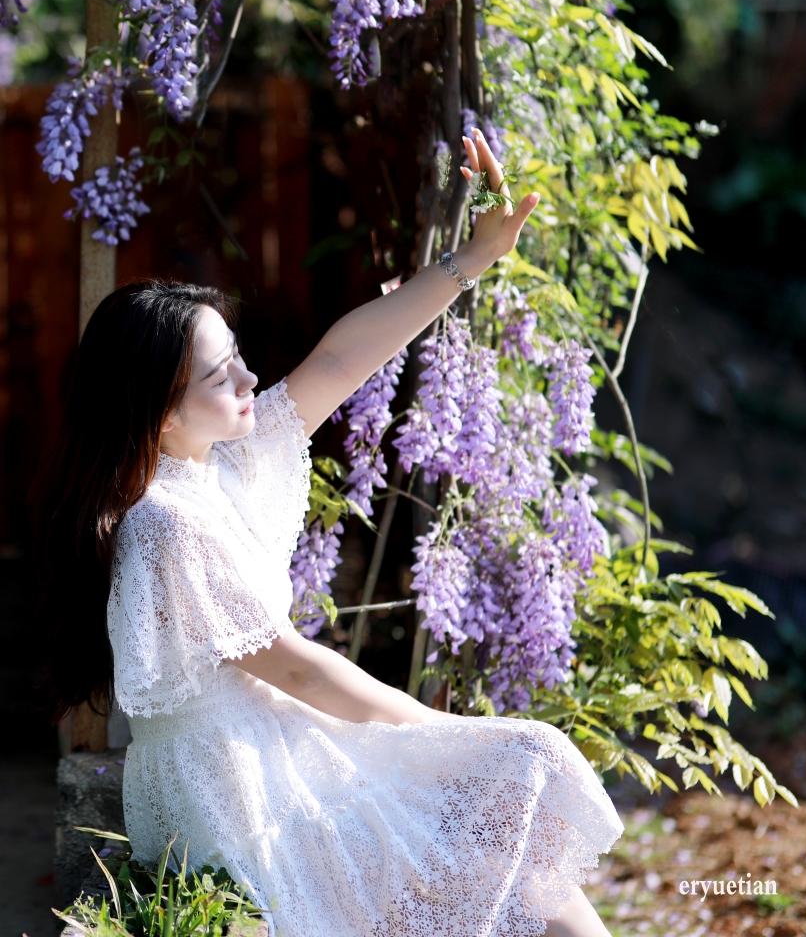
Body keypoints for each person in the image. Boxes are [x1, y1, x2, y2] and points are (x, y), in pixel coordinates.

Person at [35, 129, 622, 937]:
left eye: (238, 360)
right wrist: (446, 734)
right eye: (221, 376)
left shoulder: (218, 467)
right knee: (499, 790)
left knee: (508, 851)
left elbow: (343, 360)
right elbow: (298, 671)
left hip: (277, 748)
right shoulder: (166, 521)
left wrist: (473, 259)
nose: (249, 381)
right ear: (160, 413)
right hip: (239, 787)